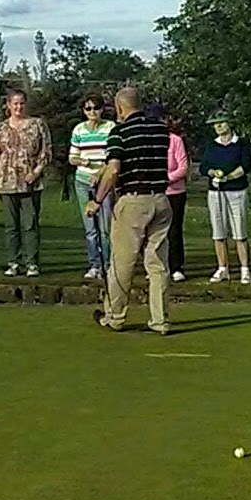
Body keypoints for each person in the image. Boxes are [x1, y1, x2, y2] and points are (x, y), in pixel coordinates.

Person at [88, 86, 172, 334]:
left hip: (133, 200)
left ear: (120, 107)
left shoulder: (120, 132)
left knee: (122, 263)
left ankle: (115, 316)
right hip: (161, 199)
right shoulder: (161, 129)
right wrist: (103, 172)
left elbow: (115, 168)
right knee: (157, 264)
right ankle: (160, 320)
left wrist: (97, 200)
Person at [0, 88, 51, 276]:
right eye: (15, 103)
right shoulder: (1, 128)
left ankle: (32, 263)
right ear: (8, 105)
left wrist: (36, 172)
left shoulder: (38, 125)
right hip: (7, 183)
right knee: (11, 226)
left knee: (30, 224)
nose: (18, 107)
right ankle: (14, 262)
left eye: (22, 103)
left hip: (31, 183)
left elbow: (46, 152)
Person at [199, 109, 251, 284]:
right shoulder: (212, 146)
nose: (218, 126)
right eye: (215, 124)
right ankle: (222, 268)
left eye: (221, 123)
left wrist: (228, 177)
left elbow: (246, 165)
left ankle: (245, 269)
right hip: (216, 192)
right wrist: (213, 173)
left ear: (229, 123)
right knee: (218, 231)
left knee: (239, 232)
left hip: (237, 191)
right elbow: (203, 167)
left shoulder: (241, 144)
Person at [68, 92, 115, 280]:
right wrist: (82, 161)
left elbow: (112, 157)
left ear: (102, 109)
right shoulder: (79, 130)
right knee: (90, 228)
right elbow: (72, 157)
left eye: (96, 108)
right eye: (88, 108)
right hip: (82, 181)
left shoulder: (110, 127)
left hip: (103, 182)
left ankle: (108, 265)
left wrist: (99, 173)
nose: (92, 112)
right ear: (83, 111)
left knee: (105, 228)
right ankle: (94, 264)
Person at [164, 111, 189, 283]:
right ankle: (158, 266)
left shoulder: (175, 140)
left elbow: (183, 167)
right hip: (156, 192)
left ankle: (176, 267)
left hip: (175, 193)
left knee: (174, 231)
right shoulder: (152, 141)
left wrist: (166, 178)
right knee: (156, 233)